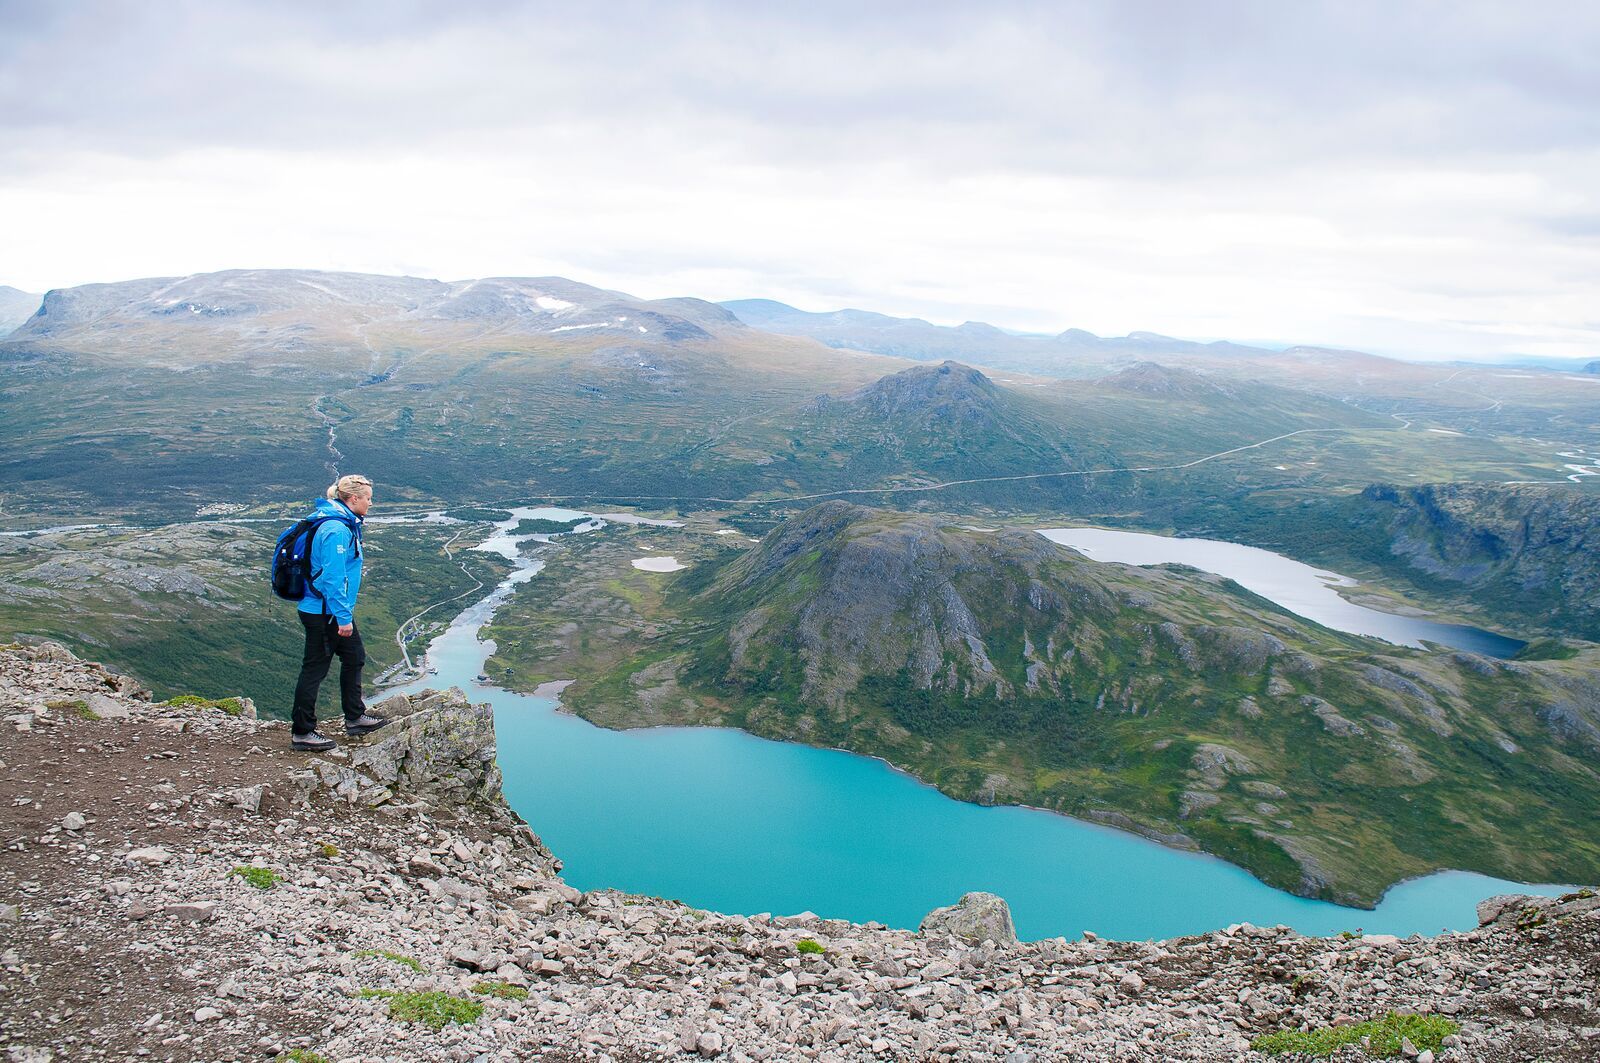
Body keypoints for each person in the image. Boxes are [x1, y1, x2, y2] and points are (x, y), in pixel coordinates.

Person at [289, 474, 389, 751]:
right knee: (314, 670)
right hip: (326, 613)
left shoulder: (341, 522)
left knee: (354, 657)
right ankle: (302, 732)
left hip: (331, 611)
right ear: (353, 499)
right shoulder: (336, 529)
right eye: (368, 498)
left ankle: (355, 717)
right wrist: (343, 618)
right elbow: (331, 579)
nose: (371, 502)